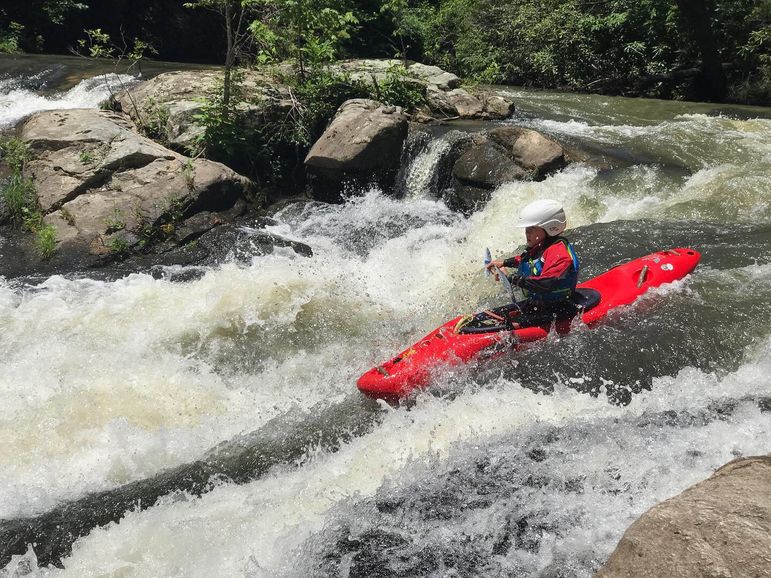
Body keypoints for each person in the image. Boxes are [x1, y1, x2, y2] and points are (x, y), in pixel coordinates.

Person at [486, 199, 580, 328]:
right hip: (538, 303)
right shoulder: (542, 246)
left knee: (507, 327)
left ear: (550, 227)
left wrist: (512, 279)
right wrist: (503, 263)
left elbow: (546, 284)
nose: (526, 232)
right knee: (488, 316)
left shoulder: (559, 253)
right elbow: (528, 260)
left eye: (532, 228)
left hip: (559, 307)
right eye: (526, 228)